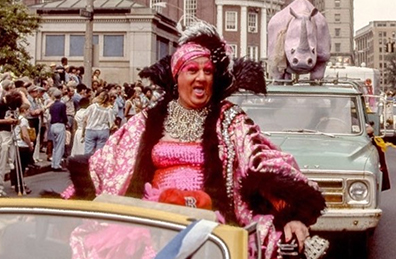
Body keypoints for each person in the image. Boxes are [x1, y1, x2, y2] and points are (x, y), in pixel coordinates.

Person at [62, 21, 326, 258]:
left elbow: (261, 162)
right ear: (177, 77)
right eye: (192, 70)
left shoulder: (230, 120)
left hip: (213, 226)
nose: (201, 77)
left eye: (208, 71)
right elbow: (105, 163)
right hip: (154, 222)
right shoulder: (147, 120)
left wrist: (291, 215)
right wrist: (64, 204)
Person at [0, 88, 22, 197]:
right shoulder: (1, 104)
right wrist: (6, 121)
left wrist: (15, 121)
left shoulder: (11, 106)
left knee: (6, 162)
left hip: (9, 134)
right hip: (1, 134)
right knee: (1, 164)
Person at [82, 91, 115, 156]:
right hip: (103, 130)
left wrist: (83, 132)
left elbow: (85, 118)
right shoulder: (109, 110)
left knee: (88, 151)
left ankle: (87, 164)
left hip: (91, 129)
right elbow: (112, 124)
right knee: (100, 152)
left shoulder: (92, 107)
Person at [11, 103, 33, 195]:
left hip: (17, 145)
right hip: (22, 145)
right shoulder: (23, 120)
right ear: (24, 110)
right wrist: (30, 144)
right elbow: (25, 135)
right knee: (21, 167)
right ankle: (20, 185)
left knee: (17, 166)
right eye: (28, 110)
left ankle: (15, 184)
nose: (29, 112)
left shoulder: (18, 119)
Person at [49, 88, 68, 171]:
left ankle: (53, 163)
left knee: (55, 145)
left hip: (52, 125)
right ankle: (57, 164)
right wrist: (66, 122)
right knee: (60, 145)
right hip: (60, 124)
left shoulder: (52, 105)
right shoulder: (62, 105)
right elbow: (64, 115)